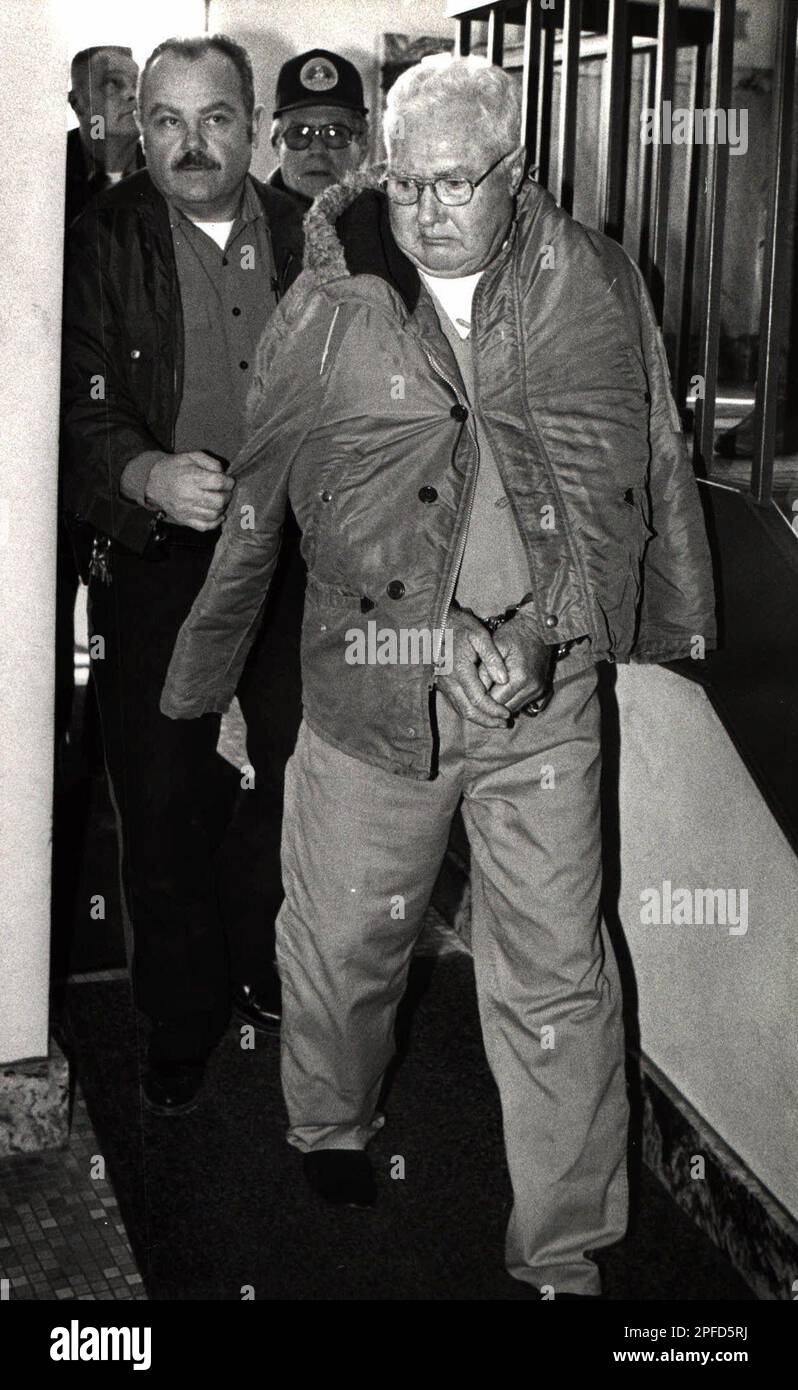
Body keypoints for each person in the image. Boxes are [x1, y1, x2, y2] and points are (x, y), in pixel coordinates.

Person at [160, 55, 716, 1296]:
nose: (427, 208)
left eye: (458, 181)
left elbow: (640, 479)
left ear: (516, 177)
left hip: (545, 700)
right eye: (406, 181)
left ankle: (564, 1252)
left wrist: (567, 632)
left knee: (559, 971)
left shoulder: (595, 285)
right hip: (370, 691)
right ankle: (329, 1120)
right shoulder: (333, 299)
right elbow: (264, 506)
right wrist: (217, 685)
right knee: (348, 943)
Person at [60, 34, 305, 1117]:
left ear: (251, 124)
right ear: (137, 125)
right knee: (160, 798)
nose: (190, 142)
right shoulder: (96, 242)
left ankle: (261, 960)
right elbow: (69, 409)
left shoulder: (313, 237)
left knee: (295, 780)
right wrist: (147, 472)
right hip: (159, 557)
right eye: (166, 119)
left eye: (215, 118)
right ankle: (178, 1015)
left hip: (295, 557)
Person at [267, 48, 368, 212]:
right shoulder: (245, 224)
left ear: (362, 146)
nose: (317, 149)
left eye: (334, 133)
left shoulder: (386, 225)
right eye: (300, 133)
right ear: (276, 145)